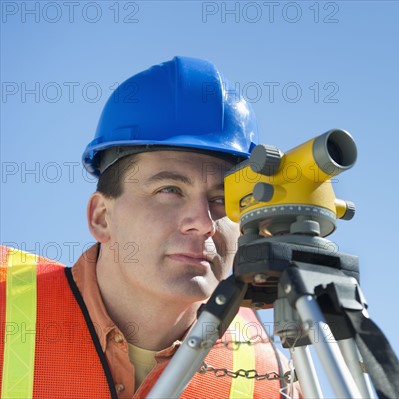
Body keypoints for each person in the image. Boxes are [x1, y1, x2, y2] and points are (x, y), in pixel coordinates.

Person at [0, 57, 291, 398]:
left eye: (222, 199)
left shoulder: (273, 377)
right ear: (101, 218)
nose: (202, 222)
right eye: (169, 190)